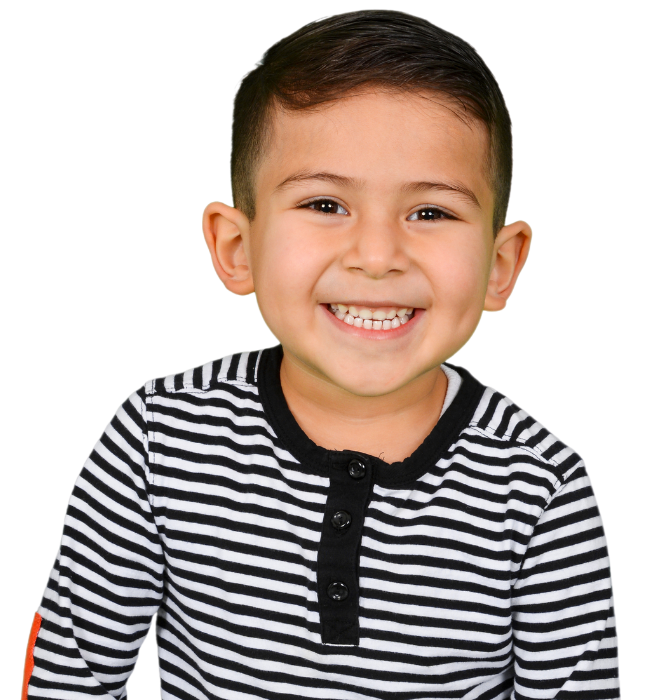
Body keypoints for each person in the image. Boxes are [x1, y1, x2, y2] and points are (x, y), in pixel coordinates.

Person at [21, 9, 621, 699]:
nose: (376, 257)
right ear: (235, 249)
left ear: (501, 265)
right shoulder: (156, 436)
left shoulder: (542, 487)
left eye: (430, 212)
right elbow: (71, 679)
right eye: (325, 204)